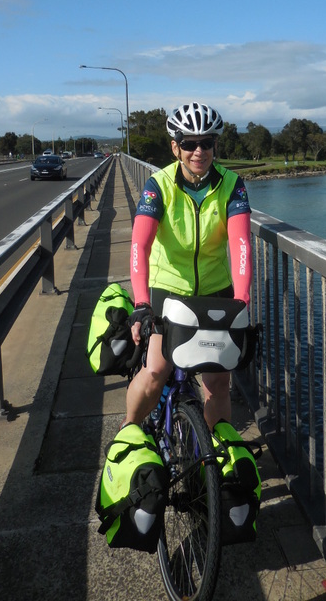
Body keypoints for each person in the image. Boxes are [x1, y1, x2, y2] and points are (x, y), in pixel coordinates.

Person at [125, 102, 252, 430]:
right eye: (189, 144)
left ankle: (214, 449)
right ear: (175, 147)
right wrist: (141, 302)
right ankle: (129, 430)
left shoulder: (231, 184)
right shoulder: (159, 185)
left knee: (218, 382)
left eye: (206, 143)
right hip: (168, 290)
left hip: (215, 290)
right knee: (155, 371)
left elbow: (240, 245)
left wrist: (242, 300)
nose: (199, 151)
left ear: (215, 145)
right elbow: (140, 245)